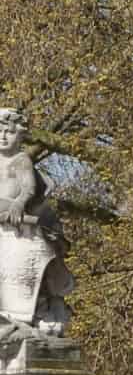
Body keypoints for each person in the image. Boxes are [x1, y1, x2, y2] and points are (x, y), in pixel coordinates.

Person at [0, 107, 74, 337]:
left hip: (15, 225)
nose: (2, 137)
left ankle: (24, 314)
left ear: (19, 135)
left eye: (8, 132)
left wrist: (18, 204)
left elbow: (29, 189)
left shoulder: (20, 160)